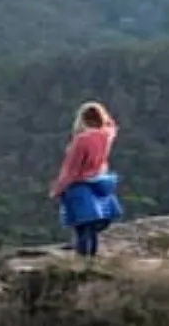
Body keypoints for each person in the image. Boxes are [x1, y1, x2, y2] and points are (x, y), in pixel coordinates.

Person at [50, 101, 122, 257]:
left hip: (79, 187)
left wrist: (57, 189)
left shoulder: (81, 140)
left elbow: (71, 169)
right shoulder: (106, 135)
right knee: (92, 228)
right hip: (98, 182)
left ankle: (82, 262)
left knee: (82, 227)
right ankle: (92, 259)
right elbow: (112, 125)